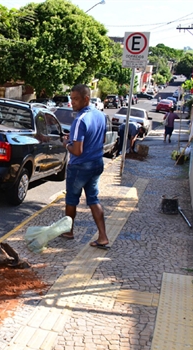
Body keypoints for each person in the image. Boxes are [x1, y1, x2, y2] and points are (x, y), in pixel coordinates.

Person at [60, 84, 109, 249]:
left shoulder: (80, 120)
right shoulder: (101, 116)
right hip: (97, 163)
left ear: (86, 99)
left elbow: (77, 151)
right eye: (71, 98)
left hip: (80, 166)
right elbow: (101, 141)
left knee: (72, 199)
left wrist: (66, 143)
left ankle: (69, 231)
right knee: (93, 199)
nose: (72, 102)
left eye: (75, 99)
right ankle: (103, 237)